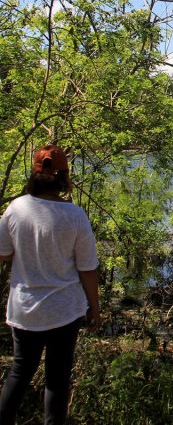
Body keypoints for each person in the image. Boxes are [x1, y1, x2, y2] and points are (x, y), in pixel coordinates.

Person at [0, 145, 100, 425]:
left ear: (34, 173)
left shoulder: (16, 208)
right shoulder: (75, 216)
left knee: (20, 372)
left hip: (24, 309)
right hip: (64, 311)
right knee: (57, 378)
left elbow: (3, 253)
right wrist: (95, 308)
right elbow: (88, 269)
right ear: (64, 177)